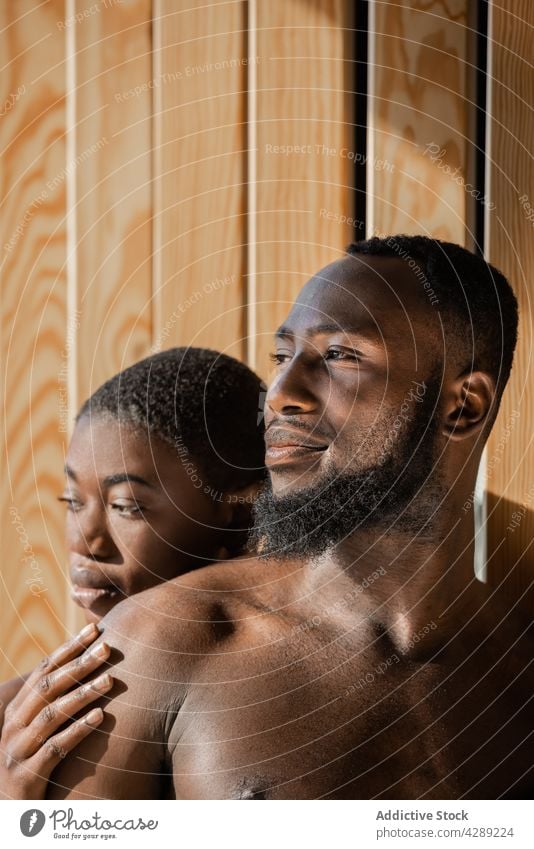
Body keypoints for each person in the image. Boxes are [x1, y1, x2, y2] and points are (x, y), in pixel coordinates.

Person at [17, 235, 534, 799]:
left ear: (463, 407)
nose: (282, 394)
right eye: (282, 357)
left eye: (339, 355)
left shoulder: (518, 660)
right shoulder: (162, 647)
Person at [0, 347, 265, 798]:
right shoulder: (18, 720)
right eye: (72, 501)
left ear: (238, 516)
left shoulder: (275, 696)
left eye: (126, 506)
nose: (84, 542)